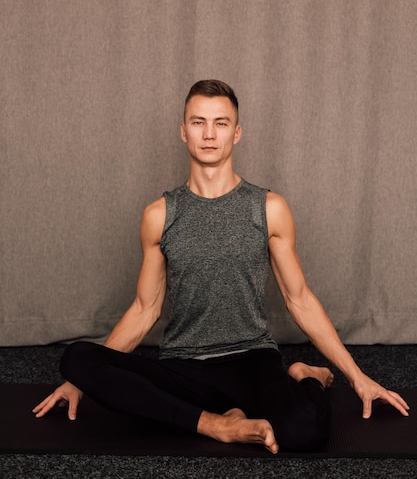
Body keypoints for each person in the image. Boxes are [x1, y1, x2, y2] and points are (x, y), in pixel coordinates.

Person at [33, 79, 409, 454]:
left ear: (237, 132)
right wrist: (81, 381)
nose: (209, 134)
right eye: (198, 123)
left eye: (221, 123)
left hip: (252, 360)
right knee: (76, 359)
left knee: (305, 432)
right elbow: (144, 310)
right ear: (183, 132)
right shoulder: (160, 215)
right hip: (184, 365)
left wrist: (357, 377)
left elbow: (300, 300)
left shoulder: (268, 208)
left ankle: (305, 375)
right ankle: (216, 424)